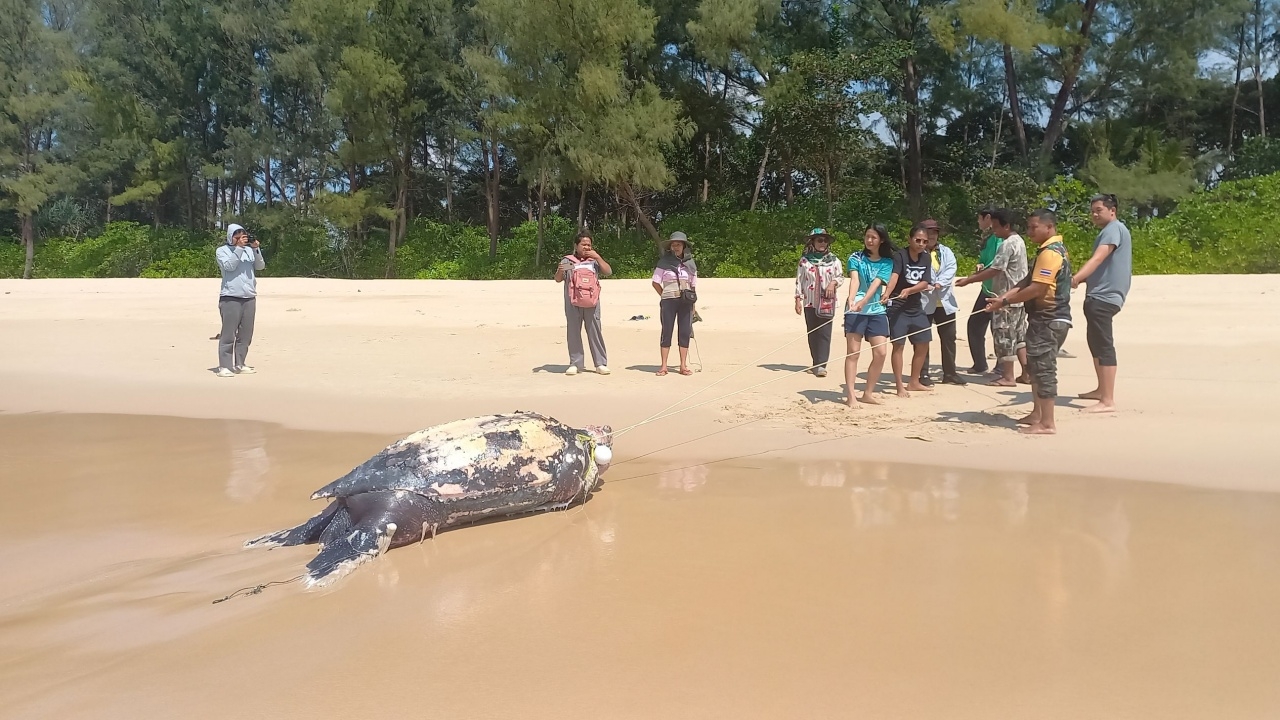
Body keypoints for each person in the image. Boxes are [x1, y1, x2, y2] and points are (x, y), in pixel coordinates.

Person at [985, 209, 1073, 434]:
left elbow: (1038, 288)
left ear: (1049, 227)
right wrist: (1003, 298)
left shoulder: (1051, 253)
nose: (1030, 231)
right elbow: (1026, 281)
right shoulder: (1046, 251)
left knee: (1044, 369)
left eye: (1034, 227)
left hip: (1050, 319)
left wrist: (1004, 302)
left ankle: (1047, 423)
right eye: (1029, 227)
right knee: (1035, 366)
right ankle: (1037, 414)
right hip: (1042, 319)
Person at [1071, 193, 1132, 414]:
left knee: (1104, 345)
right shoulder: (1109, 230)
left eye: (1099, 210)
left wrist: (1076, 278)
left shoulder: (1113, 229)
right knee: (1095, 343)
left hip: (1105, 298)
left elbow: (1098, 258)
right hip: (1098, 295)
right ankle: (1101, 390)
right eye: (1093, 210)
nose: (1095, 214)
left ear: (1112, 211)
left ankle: (1107, 400)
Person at [957, 208, 1028, 387]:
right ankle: (1027, 373)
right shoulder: (1019, 241)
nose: (994, 230)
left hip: (1005, 297)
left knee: (1004, 336)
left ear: (1007, 226)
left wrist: (969, 280)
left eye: (996, 227)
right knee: (1019, 337)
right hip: (1018, 297)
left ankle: (1008, 376)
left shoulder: (1007, 244)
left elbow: (996, 269)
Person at [843, 225, 896, 406]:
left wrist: (864, 302)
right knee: (853, 353)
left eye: (874, 237)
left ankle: (868, 393)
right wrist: (851, 300)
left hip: (875, 310)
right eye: (867, 236)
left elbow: (876, 284)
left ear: (881, 240)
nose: (869, 240)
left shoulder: (887, 262)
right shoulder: (855, 257)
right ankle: (851, 395)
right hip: (855, 310)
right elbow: (855, 280)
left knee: (881, 352)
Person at [884, 223, 933, 397]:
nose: (921, 244)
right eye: (918, 240)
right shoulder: (900, 256)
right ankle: (899, 385)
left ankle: (914, 381)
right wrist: (888, 293)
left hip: (915, 306)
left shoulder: (926, 258)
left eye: (924, 241)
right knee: (898, 345)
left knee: (923, 343)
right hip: (898, 306)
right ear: (910, 239)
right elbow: (894, 275)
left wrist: (911, 290)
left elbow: (925, 282)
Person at [555, 232, 612, 376]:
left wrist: (597, 256)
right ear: (576, 245)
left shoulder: (594, 261)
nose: (586, 247)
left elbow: (608, 272)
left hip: (592, 302)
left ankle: (600, 363)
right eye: (583, 244)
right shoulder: (569, 261)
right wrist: (559, 271)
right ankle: (575, 363)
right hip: (573, 302)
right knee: (573, 332)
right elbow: (558, 279)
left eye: (589, 245)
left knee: (595, 332)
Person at [918, 218, 966, 386]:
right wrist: (928, 283)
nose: (931, 235)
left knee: (949, 338)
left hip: (944, 301)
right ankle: (923, 373)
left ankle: (950, 373)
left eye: (934, 232)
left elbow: (951, 268)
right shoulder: (917, 252)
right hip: (924, 301)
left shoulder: (946, 251)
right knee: (923, 338)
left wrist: (939, 283)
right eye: (928, 232)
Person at [215, 223, 265, 378]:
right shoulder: (222, 251)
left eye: (243, 235)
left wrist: (256, 249)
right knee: (228, 334)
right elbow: (229, 266)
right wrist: (239, 248)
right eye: (237, 235)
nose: (241, 238)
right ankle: (224, 366)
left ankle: (240, 363)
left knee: (245, 334)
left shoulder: (249, 250)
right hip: (230, 297)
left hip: (249, 297)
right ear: (231, 237)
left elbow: (260, 266)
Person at [794, 228, 844, 377]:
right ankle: (816, 363)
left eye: (825, 240)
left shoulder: (834, 260)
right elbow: (799, 281)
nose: (822, 243)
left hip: (827, 302)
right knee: (812, 333)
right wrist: (797, 299)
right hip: (809, 301)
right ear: (813, 242)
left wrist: (833, 283)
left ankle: (822, 365)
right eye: (819, 240)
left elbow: (841, 277)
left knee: (824, 333)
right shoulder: (804, 261)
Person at [652, 231, 698, 376]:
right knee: (667, 331)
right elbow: (655, 282)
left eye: (678, 244)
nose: (676, 247)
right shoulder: (664, 262)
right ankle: (664, 366)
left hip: (686, 302)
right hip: (668, 302)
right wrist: (665, 295)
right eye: (673, 244)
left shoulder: (690, 263)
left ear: (684, 246)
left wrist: (694, 306)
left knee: (684, 331)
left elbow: (693, 286)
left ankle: (683, 365)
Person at [967, 207, 1000, 373]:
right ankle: (980, 364)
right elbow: (985, 259)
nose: (978, 222)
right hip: (986, 288)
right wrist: (980, 264)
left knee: (998, 328)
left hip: (998, 291)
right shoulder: (988, 238)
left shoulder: (1000, 239)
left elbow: (997, 264)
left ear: (988, 218)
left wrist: (970, 279)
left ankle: (1002, 367)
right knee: (974, 325)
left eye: (980, 219)